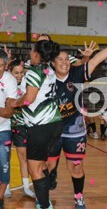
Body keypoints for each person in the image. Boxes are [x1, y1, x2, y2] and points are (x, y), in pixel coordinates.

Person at [47, 36, 107, 208]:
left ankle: (78, 197)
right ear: (52, 63)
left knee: (76, 168)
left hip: (74, 130)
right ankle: (43, 196)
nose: (64, 62)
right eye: (60, 59)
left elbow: (96, 59)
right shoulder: (46, 78)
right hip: (51, 130)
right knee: (48, 166)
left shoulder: (77, 74)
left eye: (66, 59)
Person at [8, 40, 63, 209]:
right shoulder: (49, 70)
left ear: (37, 54)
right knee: (40, 164)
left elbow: (29, 99)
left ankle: (44, 205)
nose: (30, 54)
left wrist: (13, 102)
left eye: (32, 51)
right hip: (54, 123)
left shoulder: (35, 71)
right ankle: (44, 202)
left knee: (34, 169)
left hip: (41, 125)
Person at [5, 60, 35, 198]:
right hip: (5, 124)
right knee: (5, 157)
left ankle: (26, 187)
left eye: (21, 73)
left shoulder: (27, 87)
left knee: (23, 157)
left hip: (21, 125)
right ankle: (6, 186)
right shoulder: (5, 84)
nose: (19, 75)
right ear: (9, 72)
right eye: (15, 72)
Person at [0, 50, 17, 209]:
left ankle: (0, 200)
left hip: (3, 128)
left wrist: (4, 110)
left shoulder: (10, 81)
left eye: (1, 65)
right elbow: (3, 110)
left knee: (4, 165)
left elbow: (9, 112)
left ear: (6, 65)